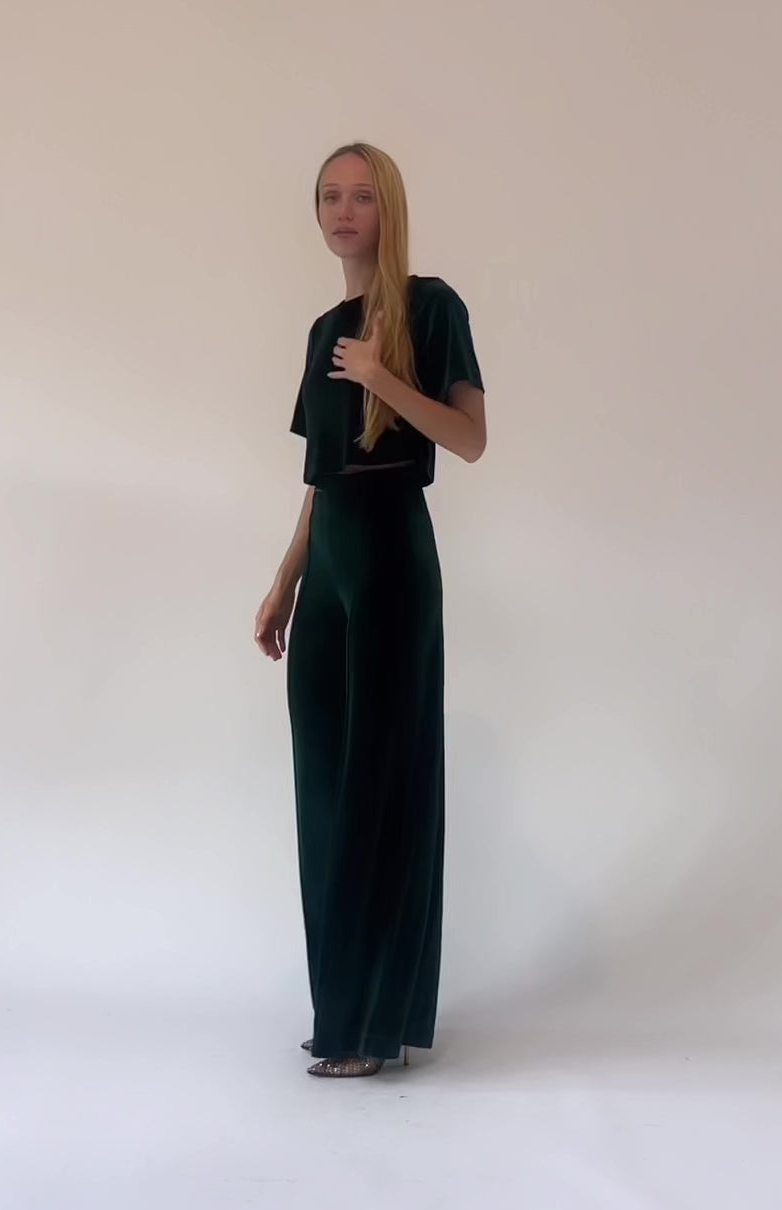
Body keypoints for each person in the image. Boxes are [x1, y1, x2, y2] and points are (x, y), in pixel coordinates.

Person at [253, 142, 487, 1078]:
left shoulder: (431, 307)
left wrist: (386, 378)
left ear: (388, 208)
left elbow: (470, 439)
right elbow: (320, 478)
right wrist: (285, 581)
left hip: (393, 556)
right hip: (330, 568)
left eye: (361, 196)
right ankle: (340, 1013)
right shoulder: (323, 332)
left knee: (379, 784)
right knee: (322, 785)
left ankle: (371, 1025)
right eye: (329, 197)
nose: (343, 211)